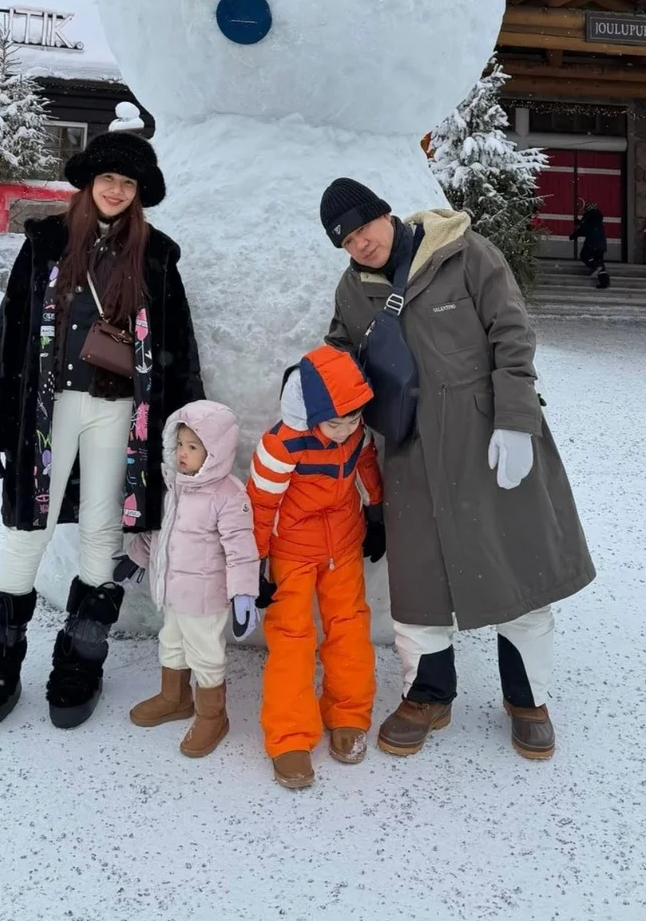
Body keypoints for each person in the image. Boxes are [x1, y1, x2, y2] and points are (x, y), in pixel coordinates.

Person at [320, 177, 595, 762]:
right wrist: (323, 393)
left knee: (517, 564)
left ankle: (527, 699)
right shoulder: (353, 288)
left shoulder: (465, 253)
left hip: (488, 435)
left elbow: (512, 334)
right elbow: (340, 348)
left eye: (363, 227)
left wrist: (516, 420)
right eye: (345, 240)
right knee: (419, 577)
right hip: (409, 447)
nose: (359, 243)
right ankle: (428, 694)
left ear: (386, 214)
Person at [0, 129, 203, 733]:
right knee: (28, 527)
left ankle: (80, 660)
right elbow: (11, 330)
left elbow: (178, 346)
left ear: (139, 193)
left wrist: (186, 425)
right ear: (89, 183)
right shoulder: (46, 242)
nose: (116, 190)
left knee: (101, 529)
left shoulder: (156, 255)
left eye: (128, 183)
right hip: (47, 409)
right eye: (108, 179)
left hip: (119, 412)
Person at [246, 345, 385, 791]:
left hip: (343, 544)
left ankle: (348, 712)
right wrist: (256, 563)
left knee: (349, 626)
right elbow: (260, 504)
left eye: (352, 419)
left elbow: (366, 466)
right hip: (292, 551)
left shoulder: (356, 433)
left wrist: (376, 514)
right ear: (311, 414)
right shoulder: (281, 445)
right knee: (292, 638)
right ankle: (289, 735)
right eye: (334, 423)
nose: (344, 431)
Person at [125, 400, 260, 757]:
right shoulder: (174, 486)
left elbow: (241, 549)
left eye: (194, 447)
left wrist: (243, 594)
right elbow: (161, 533)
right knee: (171, 642)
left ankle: (213, 714)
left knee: (205, 654)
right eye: (180, 444)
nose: (183, 454)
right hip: (172, 592)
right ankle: (175, 697)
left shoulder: (228, 496)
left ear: (216, 451)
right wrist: (136, 556)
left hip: (204, 598)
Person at [570, 202, 610, 288]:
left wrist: (574, 235)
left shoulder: (588, 216)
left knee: (584, 256)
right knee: (600, 261)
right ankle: (604, 282)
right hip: (601, 243)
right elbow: (591, 227)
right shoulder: (598, 218)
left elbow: (584, 229)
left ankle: (596, 266)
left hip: (592, 243)